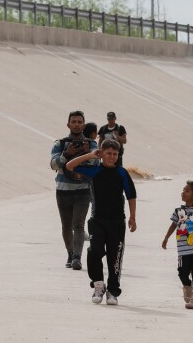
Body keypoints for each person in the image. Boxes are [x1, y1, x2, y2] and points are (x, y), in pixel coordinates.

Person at [66, 139, 137, 305]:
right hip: (97, 220)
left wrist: (133, 217)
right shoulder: (94, 171)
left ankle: (112, 291)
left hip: (117, 222)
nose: (112, 157)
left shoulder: (122, 173)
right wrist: (90, 155)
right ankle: (98, 285)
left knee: (115, 258)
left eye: (115, 154)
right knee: (95, 251)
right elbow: (69, 166)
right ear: (101, 153)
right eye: (108, 153)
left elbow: (131, 195)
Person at [52, 110, 98, 269]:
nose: (77, 125)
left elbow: (96, 164)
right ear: (68, 124)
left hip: (82, 190)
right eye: (74, 122)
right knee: (66, 226)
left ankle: (77, 257)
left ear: (83, 125)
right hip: (63, 190)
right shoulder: (60, 144)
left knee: (78, 225)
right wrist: (66, 154)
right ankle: (70, 253)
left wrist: (85, 153)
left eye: (80, 122)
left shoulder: (91, 145)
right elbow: (53, 164)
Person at [162, 180, 193, 310]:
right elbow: (173, 224)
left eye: (187, 191)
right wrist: (166, 237)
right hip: (183, 248)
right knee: (182, 272)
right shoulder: (178, 211)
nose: (183, 192)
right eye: (183, 190)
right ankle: (187, 285)